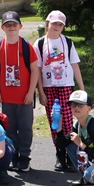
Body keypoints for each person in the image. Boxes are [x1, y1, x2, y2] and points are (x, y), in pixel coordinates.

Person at [0, 10, 39, 172]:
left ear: (20, 26)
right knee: (9, 128)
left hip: (25, 97)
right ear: (2, 27)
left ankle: (24, 156)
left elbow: (35, 70)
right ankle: (13, 155)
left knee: (25, 128)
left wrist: (31, 92)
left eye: (14, 25)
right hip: (6, 97)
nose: (11, 28)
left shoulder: (26, 46)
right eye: (7, 25)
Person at [35, 10, 85, 172]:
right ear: (48, 23)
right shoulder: (40, 43)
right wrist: (41, 92)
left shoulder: (68, 42)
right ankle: (59, 154)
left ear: (63, 27)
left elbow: (75, 65)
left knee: (67, 122)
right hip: (49, 88)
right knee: (55, 122)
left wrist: (82, 89)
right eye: (54, 23)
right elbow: (38, 70)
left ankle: (70, 155)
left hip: (65, 86)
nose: (56, 27)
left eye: (60, 24)